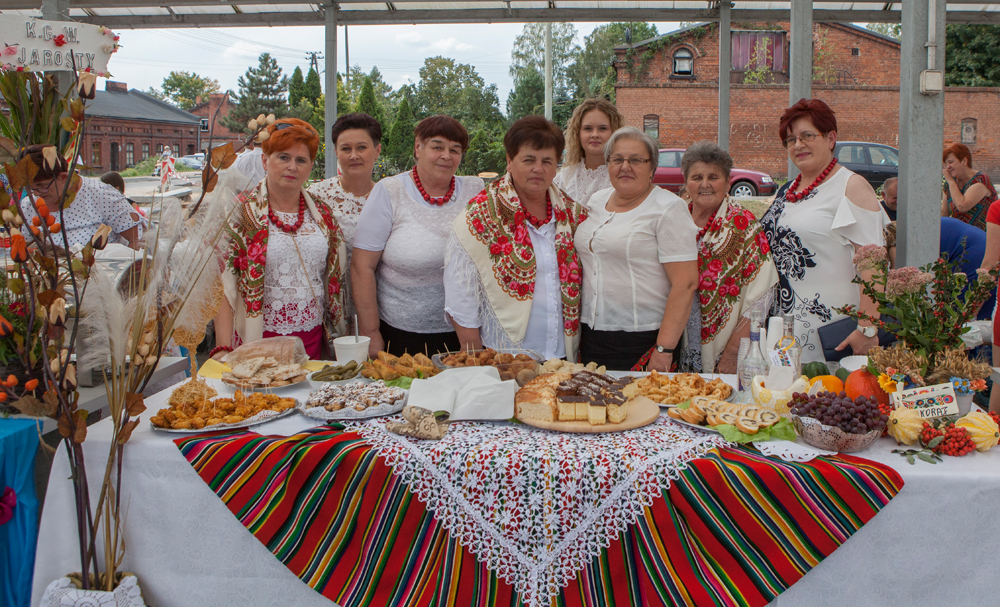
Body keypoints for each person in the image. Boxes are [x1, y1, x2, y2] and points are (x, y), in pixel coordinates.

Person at [444, 116, 587, 360]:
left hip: (563, 356)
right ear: (510, 161)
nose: (538, 169)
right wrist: (474, 356)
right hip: (503, 357)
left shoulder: (575, 216)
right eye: (529, 160)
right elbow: (461, 294)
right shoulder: (479, 217)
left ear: (556, 166)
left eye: (547, 161)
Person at [760, 99, 889, 363]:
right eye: (791, 140)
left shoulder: (851, 187)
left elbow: (874, 264)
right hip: (784, 332)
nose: (798, 145)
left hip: (833, 336)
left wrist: (867, 328)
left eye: (807, 136)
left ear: (831, 138)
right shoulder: (787, 190)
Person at [214, 118, 347, 361]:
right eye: (283, 157)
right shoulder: (239, 213)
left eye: (301, 160)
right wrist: (222, 348)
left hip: (312, 340)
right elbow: (222, 285)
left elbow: (334, 279)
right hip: (256, 342)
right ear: (265, 161)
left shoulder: (323, 215)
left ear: (310, 166)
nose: (292, 167)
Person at [352, 115, 483, 358]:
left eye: (455, 150)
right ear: (418, 148)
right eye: (437, 147)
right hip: (401, 335)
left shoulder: (476, 190)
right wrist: (371, 332)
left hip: (468, 334)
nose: (446, 156)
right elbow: (362, 267)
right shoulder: (390, 191)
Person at [574, 127, 699, 371]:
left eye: (636, 160)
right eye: (617, 159)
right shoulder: (597, 200)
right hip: (591, 335)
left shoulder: (668, 208)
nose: (625, 166)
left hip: (643, 339)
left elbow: (685, 284)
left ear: (652, 167)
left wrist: (664, 349)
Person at [679, 141, 780, 374]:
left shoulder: (743, 224)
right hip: (677, 342)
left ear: (727, 183)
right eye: (697, 177)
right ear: (686, 183)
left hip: (726, 348)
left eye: (713, 177)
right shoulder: (675, 218)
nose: (705, 184)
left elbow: (762, 293)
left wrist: (734, 351)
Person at [20, 144, 143, 249]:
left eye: (42, 186)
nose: (36, 193)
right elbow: (26, 248)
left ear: (63, 178)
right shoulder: (29, 205)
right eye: (30, 188)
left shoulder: (102, 195)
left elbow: (139, 240)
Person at [307, 113, 382, 251]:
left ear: (377, 151)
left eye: (361, 147)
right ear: (336, 152)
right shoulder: (316, 195)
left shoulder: (388, 197)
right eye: (346, 149)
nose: (353, 156)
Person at [552, 98, 624, 210]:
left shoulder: (623, 176)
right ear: (578, 133)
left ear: (615, 132)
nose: (595, 134)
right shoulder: (563, 179)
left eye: (602, 128)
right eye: (588, 128)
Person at [942, 142, 997, 231]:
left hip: (983, 236)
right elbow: (944, 213)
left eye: (951, 162)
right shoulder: (949, 184)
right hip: (960, 236)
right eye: (946, 163)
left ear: (964, 161)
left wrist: (950, 181)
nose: (948, 167)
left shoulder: (981, 180)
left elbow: (962, 206)